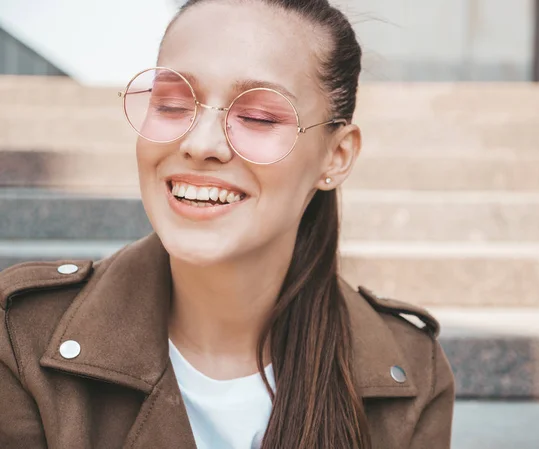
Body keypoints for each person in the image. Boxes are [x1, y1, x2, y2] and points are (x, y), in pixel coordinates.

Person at [0, 0, 455, 448]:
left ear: (336, 156)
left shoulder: (411, 372)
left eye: (257, 116)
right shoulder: (21, 338)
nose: (201, 143)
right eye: (173, 104)